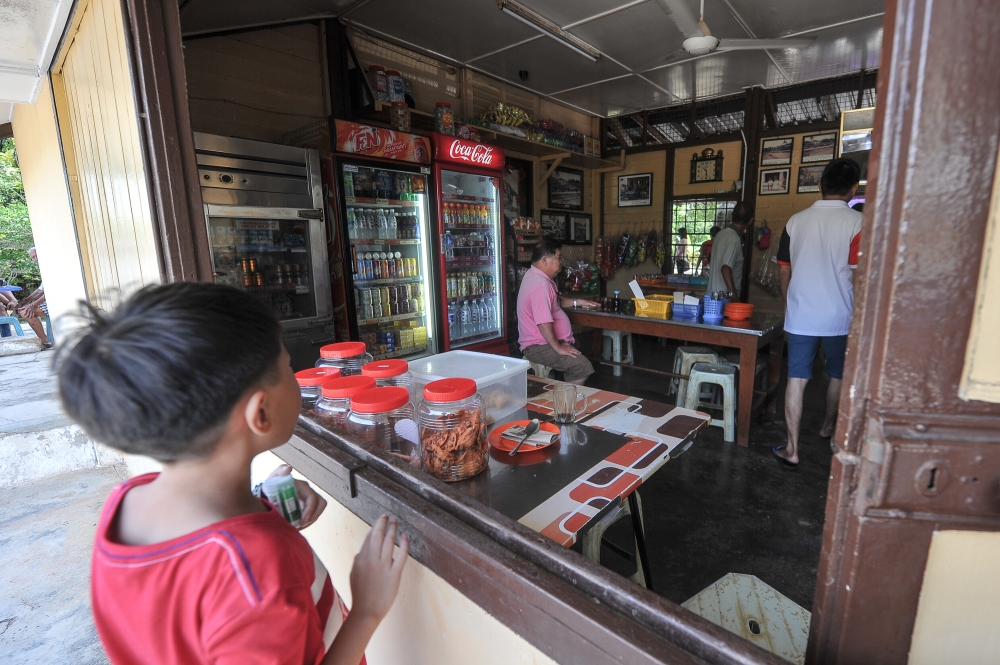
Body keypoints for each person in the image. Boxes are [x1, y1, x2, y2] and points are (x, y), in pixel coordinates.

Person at [57, 282, 408, 664]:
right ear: (260, 414)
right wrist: (368, 609)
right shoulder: (257, 569)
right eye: (287, 367)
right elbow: (236, 581)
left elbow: (189, 577)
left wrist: (262, 506)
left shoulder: (125, 502)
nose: (294, 375)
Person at [773, 159, 863, 468]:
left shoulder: (795, 222)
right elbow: (858, 274)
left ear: (820, 185)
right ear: (854, 189)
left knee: (796, 379)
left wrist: (790, 302)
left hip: (801, 316)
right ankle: (827, 427)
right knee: (837, 373)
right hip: (841, 315)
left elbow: (783, 271)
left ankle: (792, 448)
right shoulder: (858, 223)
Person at [517, 238, 599, 385]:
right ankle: (563, 401)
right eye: (558, 257)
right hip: (538, 346)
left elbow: (556, 302)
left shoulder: (536, 277)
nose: (560, 262)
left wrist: (579, 302)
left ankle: (562, 390)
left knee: (577, 346)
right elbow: (543, 322)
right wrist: (559, 347)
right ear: (544, 260)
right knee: (581, 366)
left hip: (543, 342)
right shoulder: (540, 285)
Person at [706, 203, 754, 298]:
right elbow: (725, 269)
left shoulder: (720, 234)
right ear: (751, 220)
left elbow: (712, 257)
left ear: (732, 215)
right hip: (724, 299)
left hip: (712, 296)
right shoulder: (734, 239)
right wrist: (735, 299)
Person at [15, 247, 52, 348]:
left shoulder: (50, 266)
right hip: (51, 300)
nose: (36, 258)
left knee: (25, 312)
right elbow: (40, 291)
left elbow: (50, 291)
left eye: (37, 255)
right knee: (24, 308)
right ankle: (45, 339)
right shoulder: (43, 268)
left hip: (57, 300)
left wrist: (33, 305)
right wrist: (23, 302)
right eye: (33, 257)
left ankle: (45, 341)